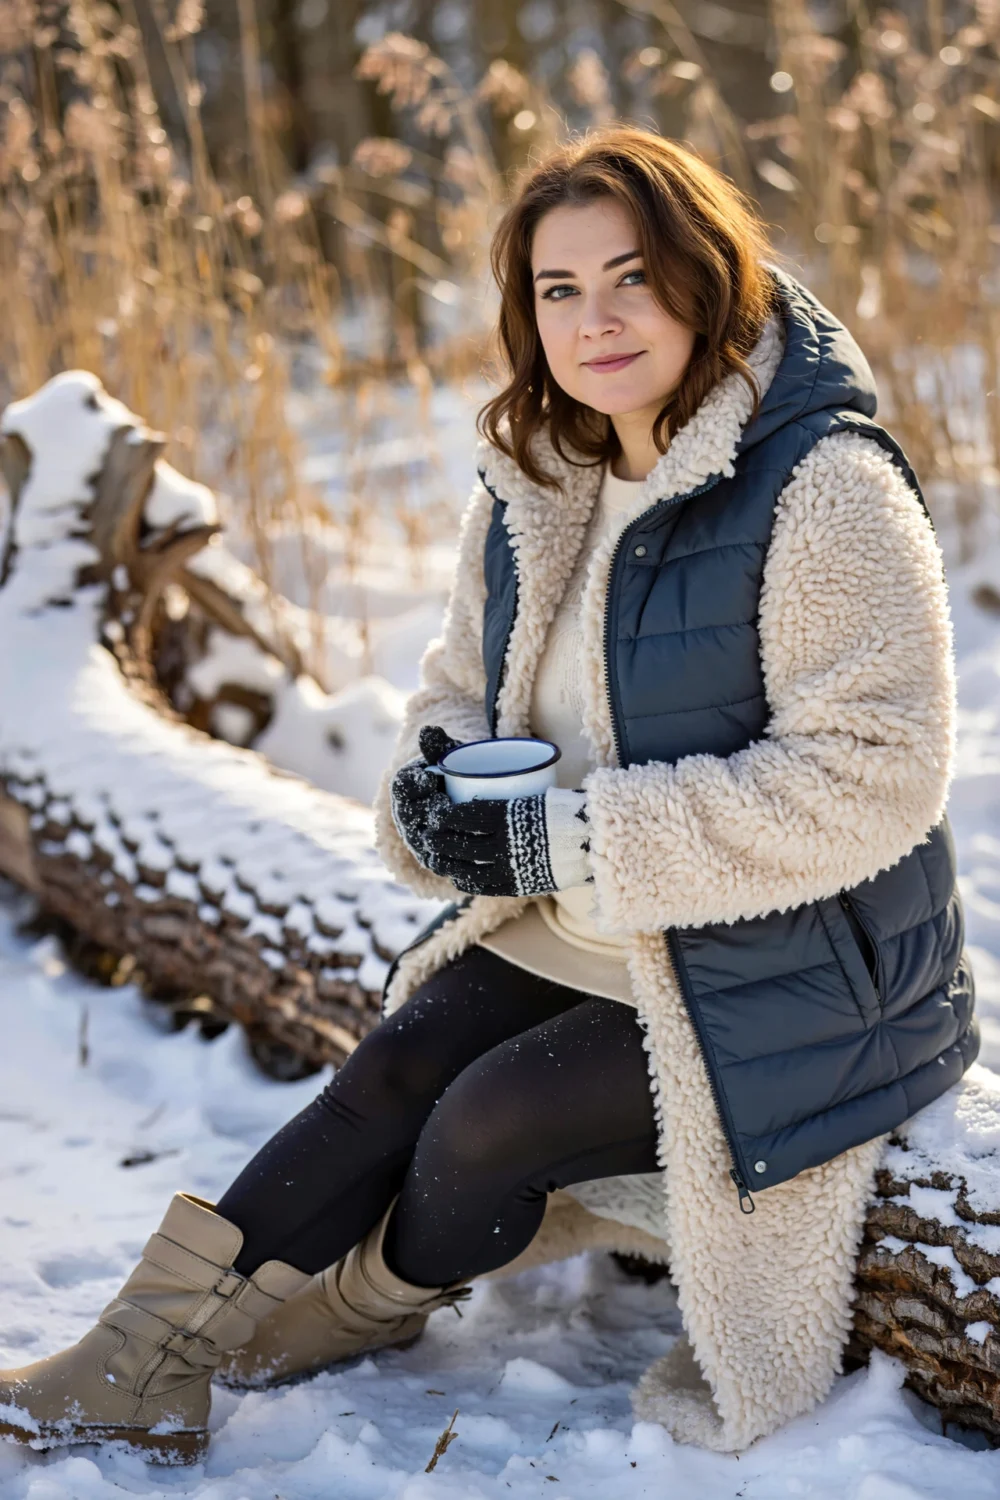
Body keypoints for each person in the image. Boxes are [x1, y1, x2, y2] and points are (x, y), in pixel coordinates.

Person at [0, 124, 977, 1463]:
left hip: (802, 960)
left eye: (632, 277)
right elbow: (455, 690)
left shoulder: (825, 486)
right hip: (592, 921)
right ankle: (134, 1357)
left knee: (487, 1118)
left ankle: (347, 1309)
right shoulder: (542, 475)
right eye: (559, 291)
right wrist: (440, 791)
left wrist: (571, 834)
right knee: (397, 1061)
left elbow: (878, 777)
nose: (598, 320)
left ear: (710, 276)